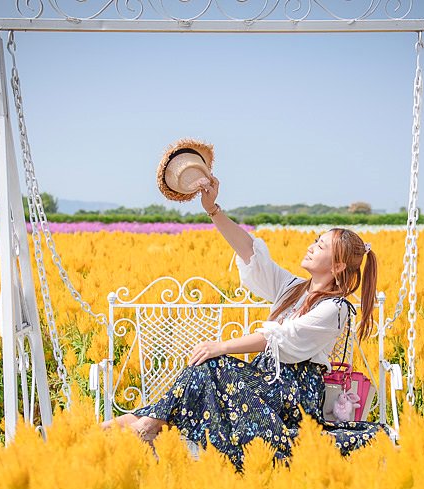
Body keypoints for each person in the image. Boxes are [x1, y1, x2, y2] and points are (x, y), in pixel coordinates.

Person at [103, 174, 382, 469]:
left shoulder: (335, 309)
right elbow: (250, 252)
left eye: (321, 246)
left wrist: (221, 346)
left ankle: (143, 428)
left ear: (337, 266)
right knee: (203, 372)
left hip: (288, 398)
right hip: (261, 383)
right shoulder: (295, 289)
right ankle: (117, 430)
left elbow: (282, 338)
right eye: (316, 240)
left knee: (213, 363)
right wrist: (213, 210)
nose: (312, 246)